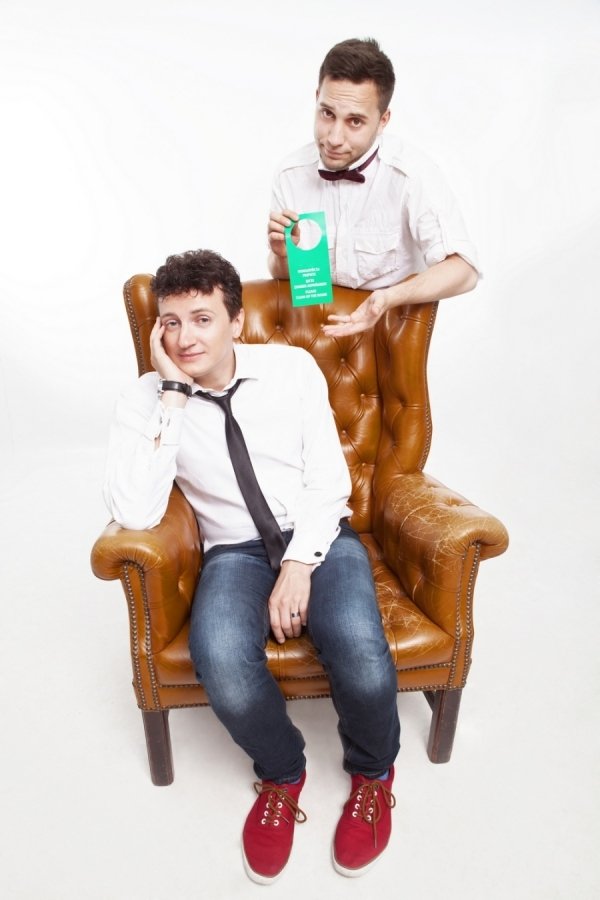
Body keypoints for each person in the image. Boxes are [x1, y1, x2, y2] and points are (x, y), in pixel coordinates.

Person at [103, 249, 400, 884]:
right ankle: (282, 774)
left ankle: (374, 773)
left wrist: (298, 565)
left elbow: (329, 481)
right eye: (171, 322)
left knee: (356, 643)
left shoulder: (291, 369)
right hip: (233, 549)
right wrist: (173, 396)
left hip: (316, 532)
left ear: (236, 321)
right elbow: (134, 510)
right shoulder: (145, 398)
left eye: (202, 319)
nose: (185, 338)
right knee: (219, 657)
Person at [268, 37, 480, 337]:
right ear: (316, 98)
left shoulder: (411, 175)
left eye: (354, 121)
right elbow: (287, 276)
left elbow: (464, 270)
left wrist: (388, 298)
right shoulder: (290, 174)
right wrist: (282, 256)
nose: (334, 138)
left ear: (383, 120)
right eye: (327, 113)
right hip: (314, 334)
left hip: (389, 334)